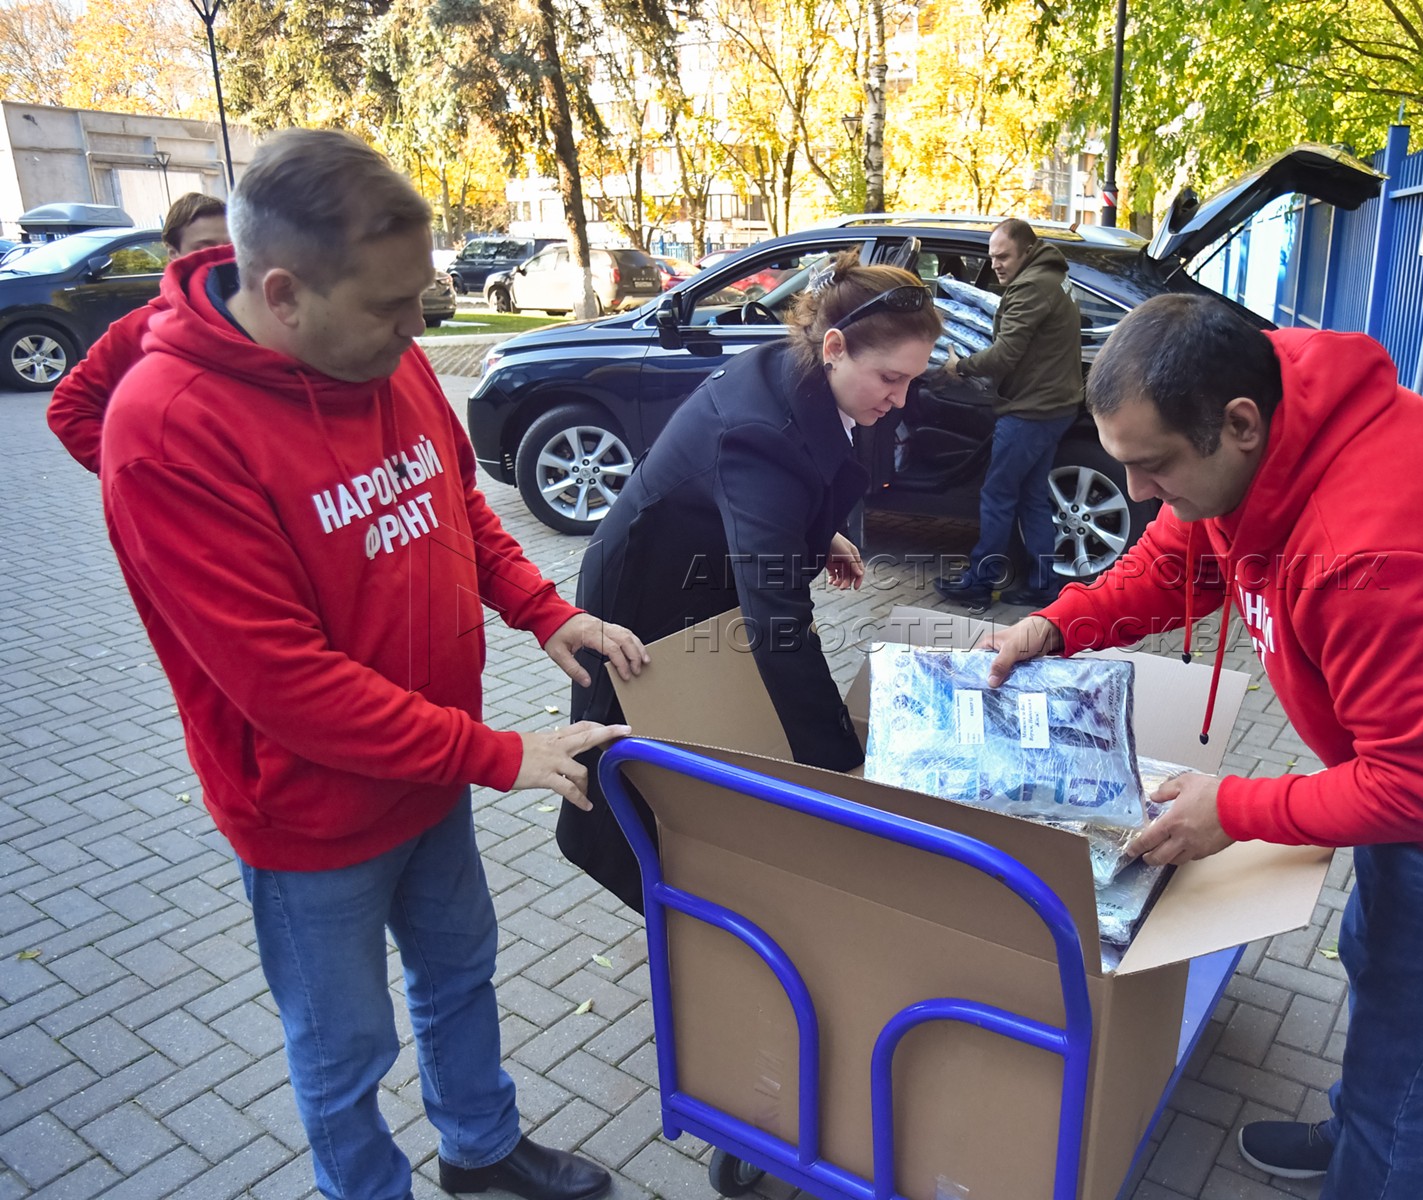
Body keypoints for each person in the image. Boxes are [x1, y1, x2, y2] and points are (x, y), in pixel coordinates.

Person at [100, 129, 649, 1200]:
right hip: (311, 817)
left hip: (430, 775)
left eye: (422, 298)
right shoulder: (169, 429)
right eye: (391, 307)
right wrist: (498, 752)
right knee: (344, 1047)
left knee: (460, 977)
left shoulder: (385, 365)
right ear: (284, 291)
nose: (419, 330)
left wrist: (545, 613)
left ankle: (481, 1153)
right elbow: (286, 685)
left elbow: (454, 509)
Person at [982, 294, 1423, 1200]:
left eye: (1154, 465)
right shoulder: (1260, 409)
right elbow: (1176, 559)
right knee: (1380, 959)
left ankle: (1372, 1153)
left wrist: (1234, 811)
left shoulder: (1378, 553)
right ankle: (1352, 1122)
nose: (1133, 494)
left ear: (1238, 426)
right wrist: (1054, 626)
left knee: (1418, 1059)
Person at [558, 250, 942, 913]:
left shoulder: (801, 376)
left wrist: (820, 533)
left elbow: (788, 485)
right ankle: (660, 907)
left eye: (912, 380)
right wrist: (837, 762)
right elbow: (779, 624)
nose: (900, 398)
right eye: (890, 378)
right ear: (834, 347)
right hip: (642, 590)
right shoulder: (760, 429)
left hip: (706, 568)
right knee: (618, 753)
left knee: (698, 739)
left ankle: (696, 889)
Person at [933, 217, 1084, 609]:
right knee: (1032, 497)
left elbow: (1004, 354)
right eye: (992, 257)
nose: (996, 264)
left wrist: (959, 368)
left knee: (998, 495)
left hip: (1031, 411)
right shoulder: (1051, 278)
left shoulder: (1032, 286)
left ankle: (981, 583)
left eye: (1004, 256)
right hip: (1054, 405)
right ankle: (1042, 584)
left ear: (1027, 251)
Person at [46, 192, 232, 472]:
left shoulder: (265, 323)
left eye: (229, 247)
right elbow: (68, 407)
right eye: (204, 248)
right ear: (173, 253)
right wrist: (127, 465)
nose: (218, 258)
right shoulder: (136, 329)